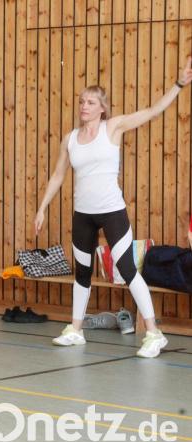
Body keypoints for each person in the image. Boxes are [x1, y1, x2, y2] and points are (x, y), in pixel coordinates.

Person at [35, 58, 192, 358]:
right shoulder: (70, 139)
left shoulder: (114, 128)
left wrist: (178, 85)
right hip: (83, 214)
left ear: (102, 108)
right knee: (82, 272)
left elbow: (152, 111)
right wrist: (42, 208)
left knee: (127, 270)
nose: (84, 106)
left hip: (111, 211)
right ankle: (75, 330)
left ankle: (155, 333)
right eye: (81, 101)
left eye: (90, 102)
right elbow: (58, 175)